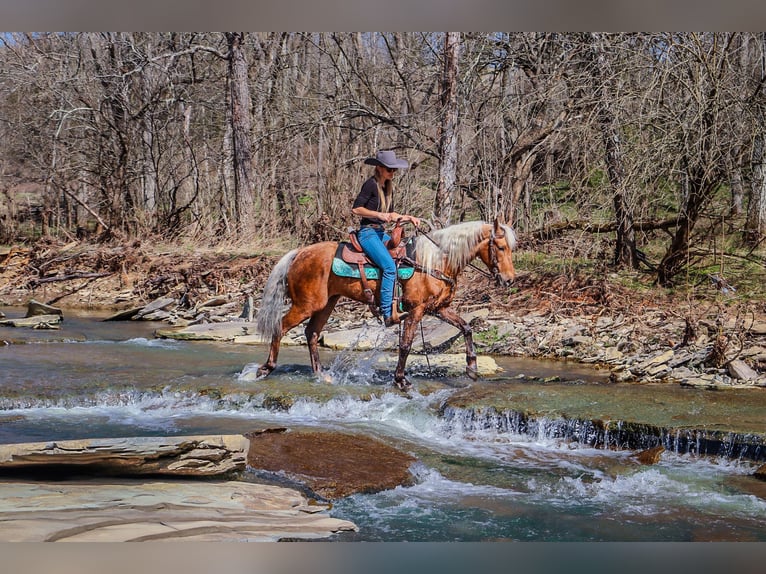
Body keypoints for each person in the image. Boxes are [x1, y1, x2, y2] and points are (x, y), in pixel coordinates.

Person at [352, 150, 421, 327]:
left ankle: (397, 303)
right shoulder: (370, 185)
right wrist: (379, 215)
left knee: (402, 259)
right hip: (367, 233)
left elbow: (391, 214)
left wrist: (408, 217)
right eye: (390, 169)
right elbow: (356, 209)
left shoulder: (387, 188)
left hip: (381, 232)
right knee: (390, 268)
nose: (392, 173)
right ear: (380, 168)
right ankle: (387, 312)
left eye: (394, 170)